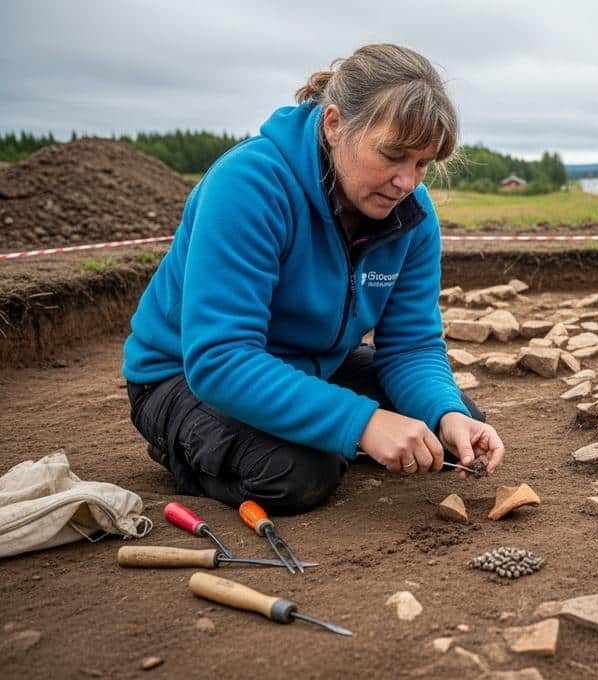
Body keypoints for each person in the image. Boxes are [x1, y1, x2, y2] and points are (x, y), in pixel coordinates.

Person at [122, 44, 504, 514]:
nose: (407, 182)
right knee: (300, 472)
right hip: (183, 376)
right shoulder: (248, 186)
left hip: (314, 364)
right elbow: (220, 358)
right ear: (334, 124)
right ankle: (184, 449)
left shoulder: (412, 214)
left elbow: (411, 346)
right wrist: (365, 424)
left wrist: (446, 413)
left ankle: (339, 432)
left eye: (422, 163)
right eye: (393, 155)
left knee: (447, 431)